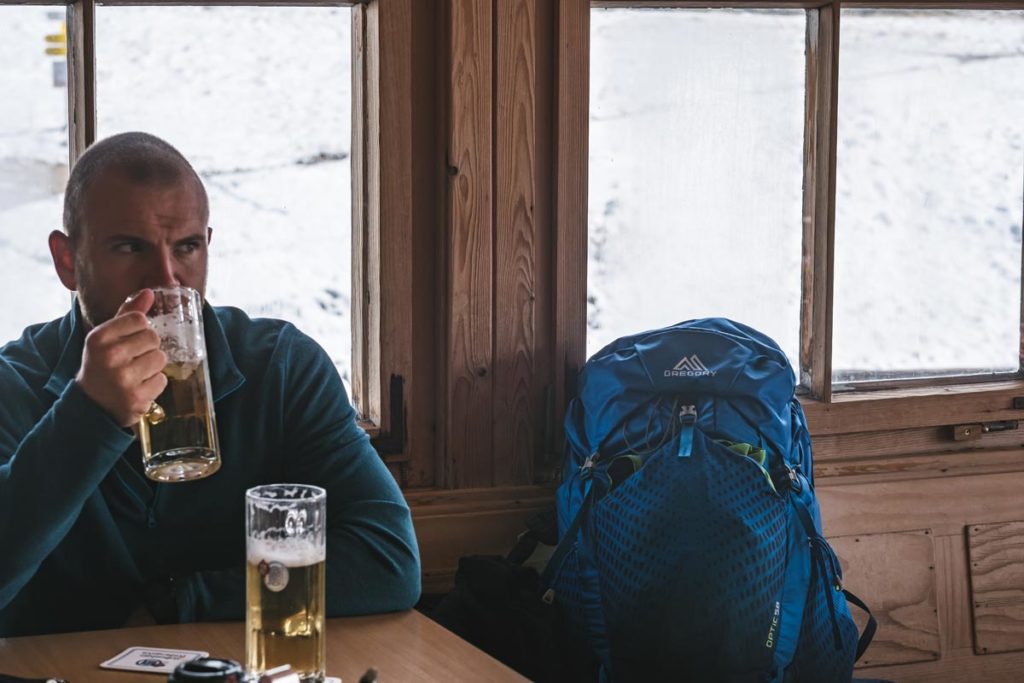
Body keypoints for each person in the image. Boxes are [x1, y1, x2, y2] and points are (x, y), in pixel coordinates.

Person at [0, 132, 421, 637]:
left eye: (186, 247)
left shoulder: (282, 368)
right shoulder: (13, 385)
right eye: (130, 248)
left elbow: (390, 560)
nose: (166, 280)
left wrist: (184, 602)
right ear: (68, 261)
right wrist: (89, 415)